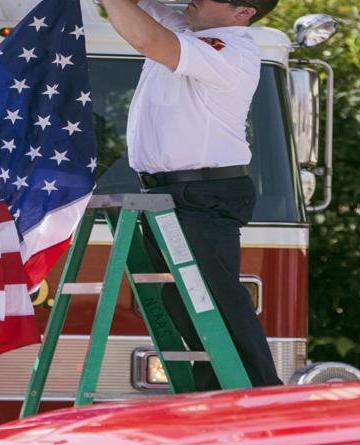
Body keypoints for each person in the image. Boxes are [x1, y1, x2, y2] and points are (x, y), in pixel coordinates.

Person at [98, 0, 283, 390]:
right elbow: (136, 8)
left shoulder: (229, 50)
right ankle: (214, 394)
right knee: (184, 304)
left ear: (243, 12)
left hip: (203, 191)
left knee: (216, 302)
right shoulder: (188, 29)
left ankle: (258, 396)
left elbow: (146, 36)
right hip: (171, 192)